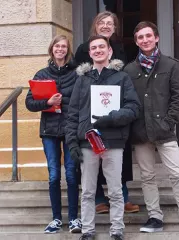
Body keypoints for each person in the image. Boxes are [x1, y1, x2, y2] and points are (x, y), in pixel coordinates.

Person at [123, 21, 179, 233]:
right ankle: (154, 218)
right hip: (141, 132)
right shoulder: (129, 70)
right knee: (147, 177)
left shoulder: (171, 65)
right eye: (140, 37)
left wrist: (168, 121)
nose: (145, 40)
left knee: (176, 173)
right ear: (136, 41)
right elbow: (126, 100)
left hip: (165, 131)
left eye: (148, 36)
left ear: (156, 38)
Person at [66, 35, 141, 240]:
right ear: (90, 54)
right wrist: (72, 141)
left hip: (114, 141)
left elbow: (133, 108)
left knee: (116, 191)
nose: (98, 50)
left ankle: (117, 230)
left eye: (102, 47)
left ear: (109, 52)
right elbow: (72, 113)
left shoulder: (122, 78)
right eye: (94, 48)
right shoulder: (82, 80)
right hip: (87, 142)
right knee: (88, 191)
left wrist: (111, 118)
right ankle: (88, 231)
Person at [74, 11, 140, 214]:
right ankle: (99, 199)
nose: (105, 26)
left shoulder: (121, 48)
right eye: (102, 23)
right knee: (93, 159)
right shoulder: (84, 49)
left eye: (109, 23)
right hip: (91, 118)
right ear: (95, 25)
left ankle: (122, 196)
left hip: (116, 116)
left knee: (119, 161)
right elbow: (80, 79)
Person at [25, 35, 82, 234]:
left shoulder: (76, 74)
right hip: (49, 130)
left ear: (68, 50)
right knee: (54, 175)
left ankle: (74, 218)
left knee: (72, 174)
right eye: (57, 46)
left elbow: (82, 101)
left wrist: (62, 102)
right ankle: (57, 218)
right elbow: (29, 103)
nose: (60, 49)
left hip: (70, 129)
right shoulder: (41, 74)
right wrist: (47, 103)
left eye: (64, 46)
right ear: (52, 49)